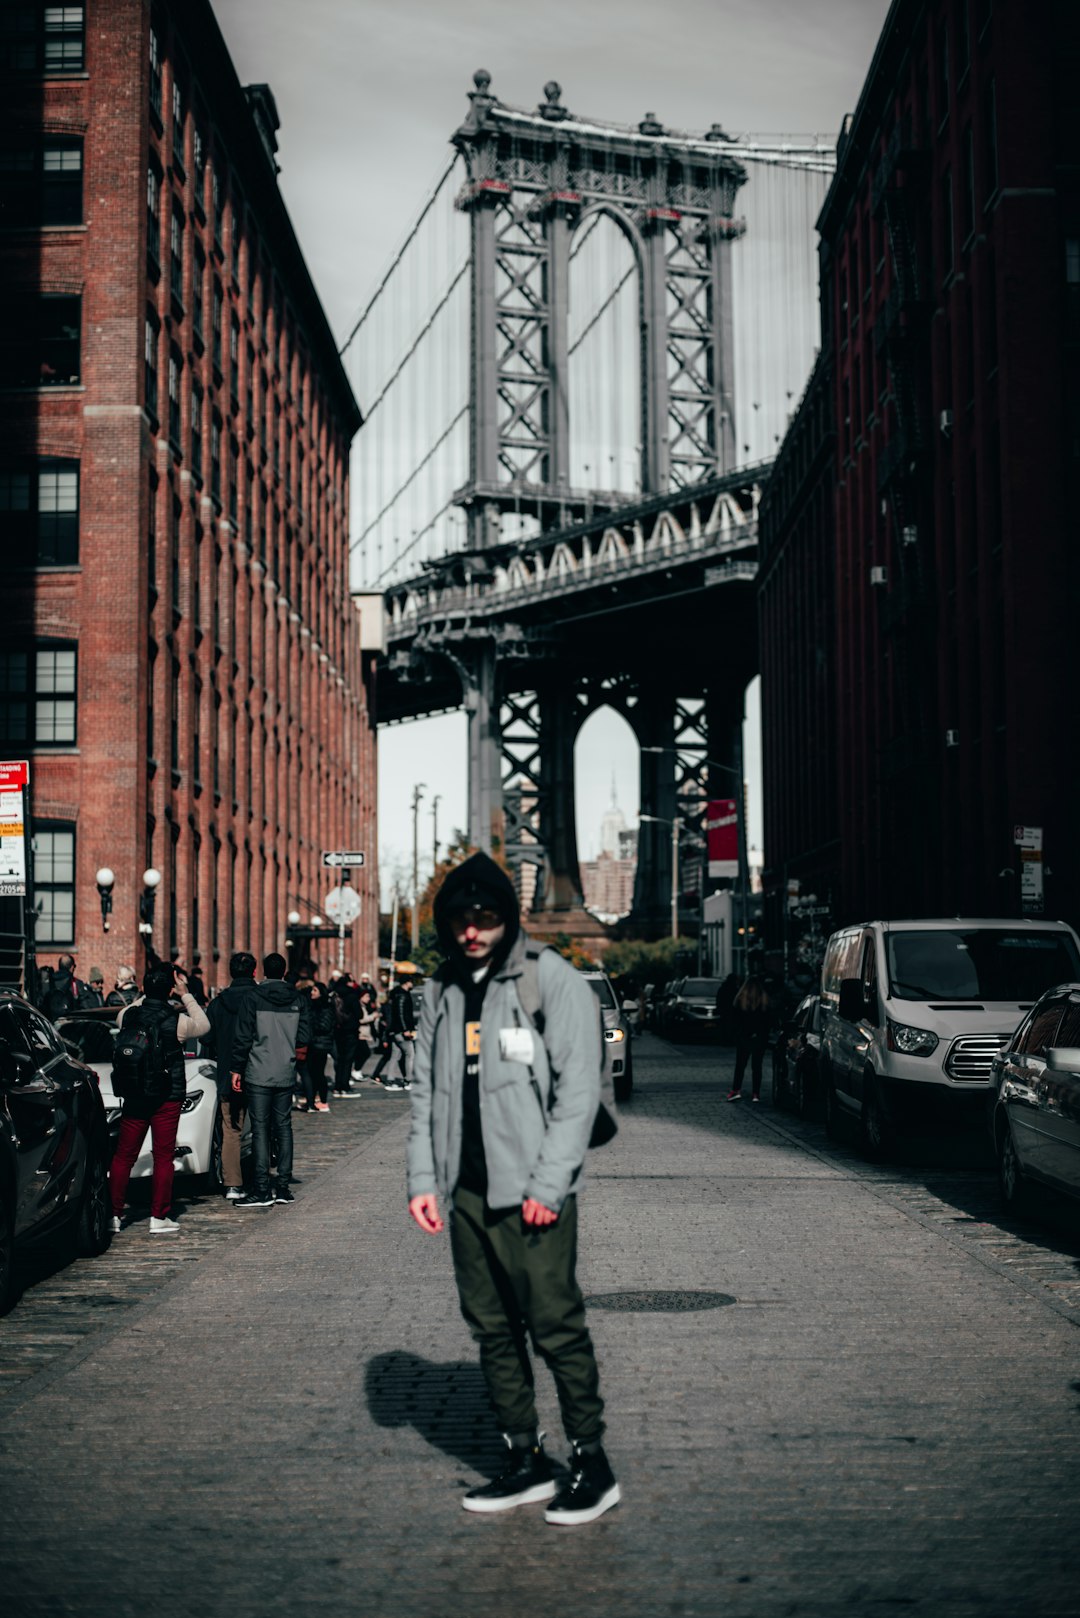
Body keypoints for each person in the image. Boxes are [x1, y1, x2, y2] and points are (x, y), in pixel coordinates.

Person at [406, 851, 620, 1527]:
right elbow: (423, 1097)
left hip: (532, 1192)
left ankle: (593, 1464)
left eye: (486, 917)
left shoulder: (549, 981)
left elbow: (580, 1094)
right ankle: (524, 1457)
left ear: (505, 918)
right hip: (466, 1193)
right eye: (461, 919)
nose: (472, 931)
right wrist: (422, 1180)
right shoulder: (439, 991)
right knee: (492, 1331)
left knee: (555, 1327)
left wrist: (549, 1185)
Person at [109, 964, 210, 1234]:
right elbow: (204, 1024)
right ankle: (159, 1217)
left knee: (123, 1156)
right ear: (170, 990)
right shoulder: (176, 1020)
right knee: (163, 1157)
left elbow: (120, 1014)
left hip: (135, 1093)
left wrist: (145, 994)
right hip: (167, 1095)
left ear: (143, 988)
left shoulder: (130, 1016)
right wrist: (185, 994)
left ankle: (115, 1215)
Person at [231, 953, 310, 1207]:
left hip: (258, 1070)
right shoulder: (298, 999)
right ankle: (283, 1187)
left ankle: (262, 1188)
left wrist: (236, 1069)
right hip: (285, 1070)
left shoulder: (253, 998)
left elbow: (243, 1036)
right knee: (284, 1127)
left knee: (260, 1129)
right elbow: (305, 1035)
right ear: (285, 972)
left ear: (263, 971)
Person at [202, 951, 259, 1199]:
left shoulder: (218, 1004)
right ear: (254, 972)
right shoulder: (261, 999)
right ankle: (260, 1179)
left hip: (228, 1073)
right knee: (262, 1126)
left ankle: (233, 1184)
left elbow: (206, 1037)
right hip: (260, 1071)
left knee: (231, 1130)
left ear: (230, 972)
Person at [726, 973, 772, 1102]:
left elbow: (734, 1020)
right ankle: (756, 1094)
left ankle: (736, 1090)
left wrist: (737, 1034)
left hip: (744, 1036)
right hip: (760, 1037)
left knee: (740, 1065)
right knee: (757, 1066)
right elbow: (769, 1021)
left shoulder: (740, 1000)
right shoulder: (764, 1001)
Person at [372, 975, 416, 1090]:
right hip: (401, 1031)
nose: (413, 984)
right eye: (412, 981)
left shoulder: (396, 995)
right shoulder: (402, 995)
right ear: (407, 982)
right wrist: (406, 1029)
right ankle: (408, 1081)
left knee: (394, 1056)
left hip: (394, 1030)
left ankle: (390, 1081)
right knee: (410, 1054)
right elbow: (402, 1014)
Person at [302, 980, 336, 1111]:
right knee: (312, 1073)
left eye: (315, 990)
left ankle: (323, 1101)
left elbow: (324, 1026)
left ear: (321, 993)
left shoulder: (325, 1007)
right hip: (313, 1044)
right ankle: (313, 1098)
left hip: (321, 1045)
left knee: (319, 1074)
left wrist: (310, 1024)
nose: (312, 992)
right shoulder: (312, 1005)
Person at [329, 970, 362, 1096]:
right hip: (350, 1030)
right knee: (348, 1060)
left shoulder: (335, 995)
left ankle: (337, 1086)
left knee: (339, 1059)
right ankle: (344, 1086)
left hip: (337, 1030)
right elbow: (359, 1014)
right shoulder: (352, 996)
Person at [45, 953, 87, 1019]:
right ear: (72, 967)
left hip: (50, 1024)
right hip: (71, 1024)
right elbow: (85, 1008)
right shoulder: (77, 984)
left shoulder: (47, 983)